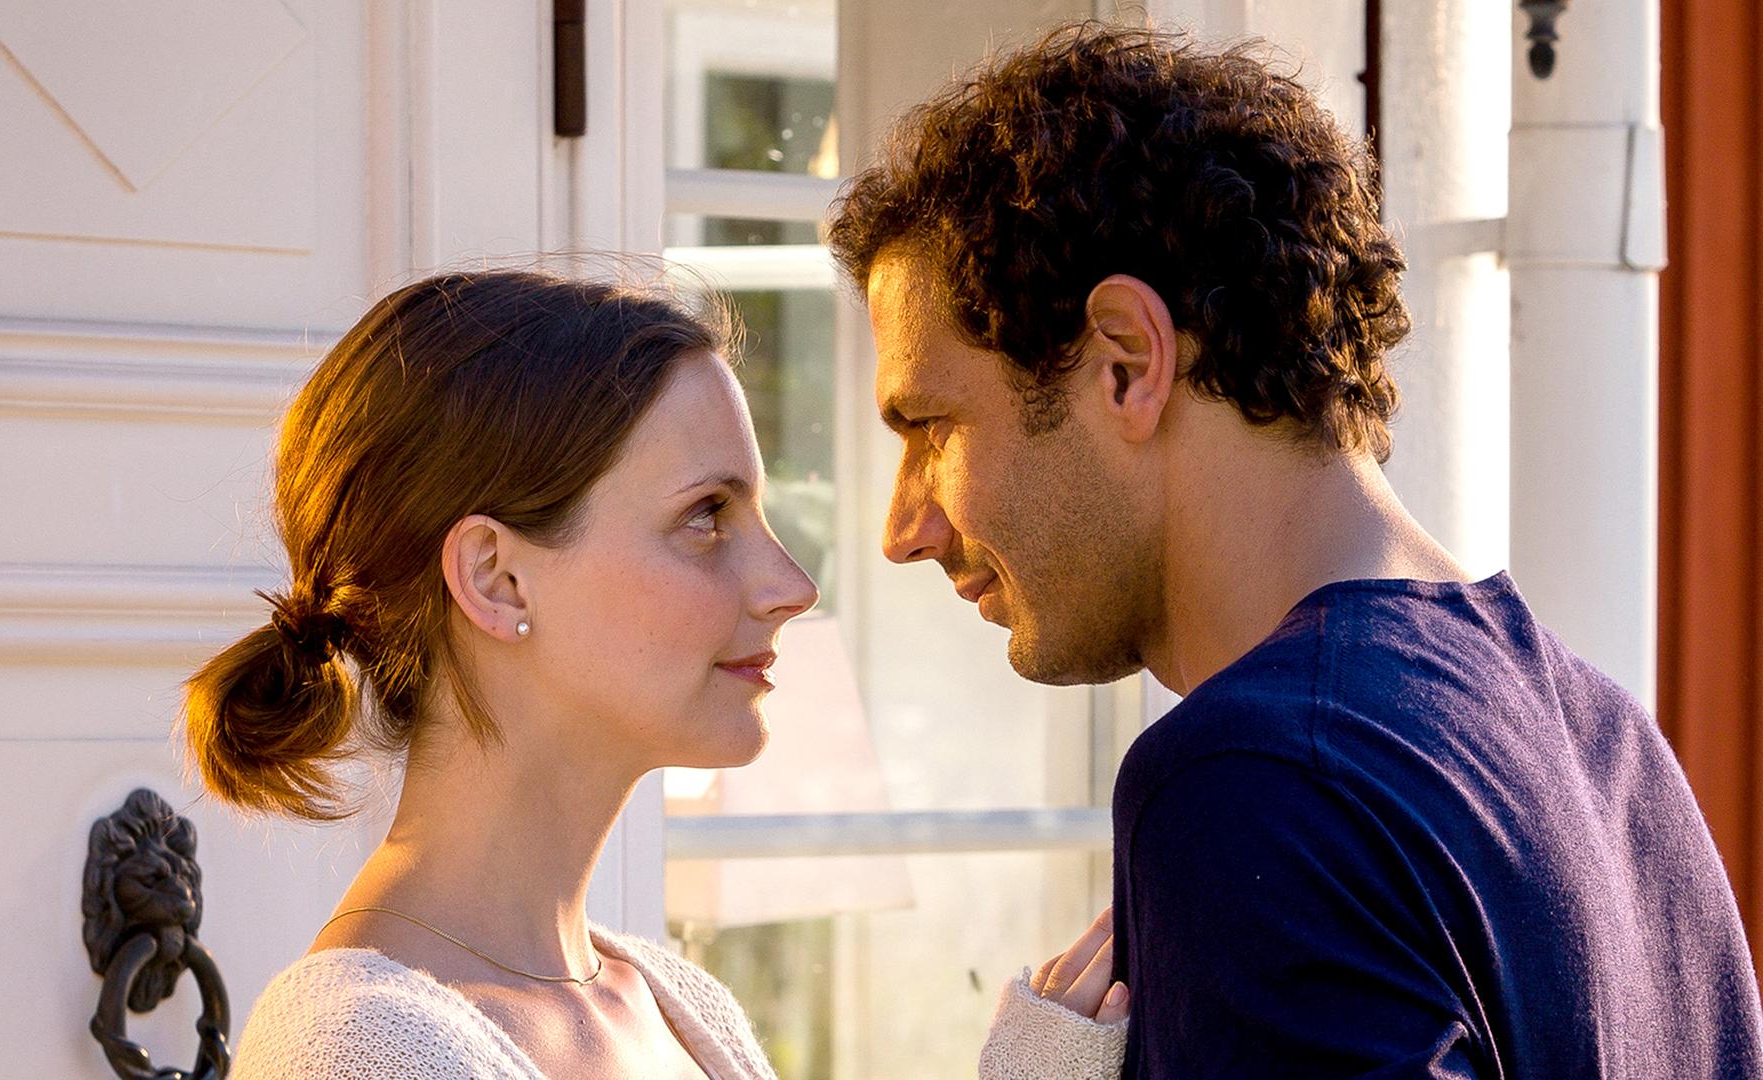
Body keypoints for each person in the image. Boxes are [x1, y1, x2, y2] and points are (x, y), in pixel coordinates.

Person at [827, 23, 1763, 1078]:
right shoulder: (1615, 756)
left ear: (1127, 363)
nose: (905, 528)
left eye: (931, 428)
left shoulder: (1252, 782)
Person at [185, 268, 1128, 1078]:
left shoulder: (681, 1006)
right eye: (707, 516)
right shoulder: (356, 1051)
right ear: (495, 576)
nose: (790, 586)